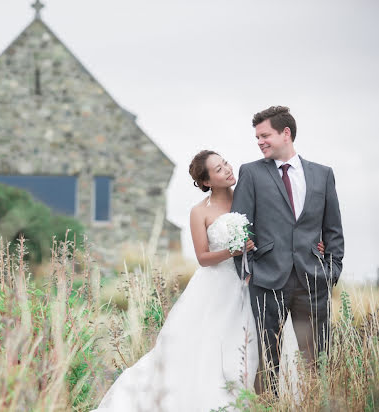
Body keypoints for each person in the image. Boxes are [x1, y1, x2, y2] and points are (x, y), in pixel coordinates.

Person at [93, 151, 320, 411]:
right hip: (215, 287)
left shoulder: (249, 200)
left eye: (225, 163)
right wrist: (232, 251)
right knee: (207, 348)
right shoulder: (199, 212)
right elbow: (203, 257)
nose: (227, 169)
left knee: (252, 346)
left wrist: (313, 245)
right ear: (207, 181)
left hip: (253, 284)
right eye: (219, 169)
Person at [231, 106, 344, 393]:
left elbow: (333, 231)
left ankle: (316, 404)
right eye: (257, 137)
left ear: (286, 133)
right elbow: (239, 228)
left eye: (265, 135)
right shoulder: (251, 173)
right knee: (267, 361)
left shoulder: (322, 175)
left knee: (317, 359)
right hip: (267, 280)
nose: (260, 141)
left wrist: (330, 272)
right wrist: (248, 272)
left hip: (313, 281)